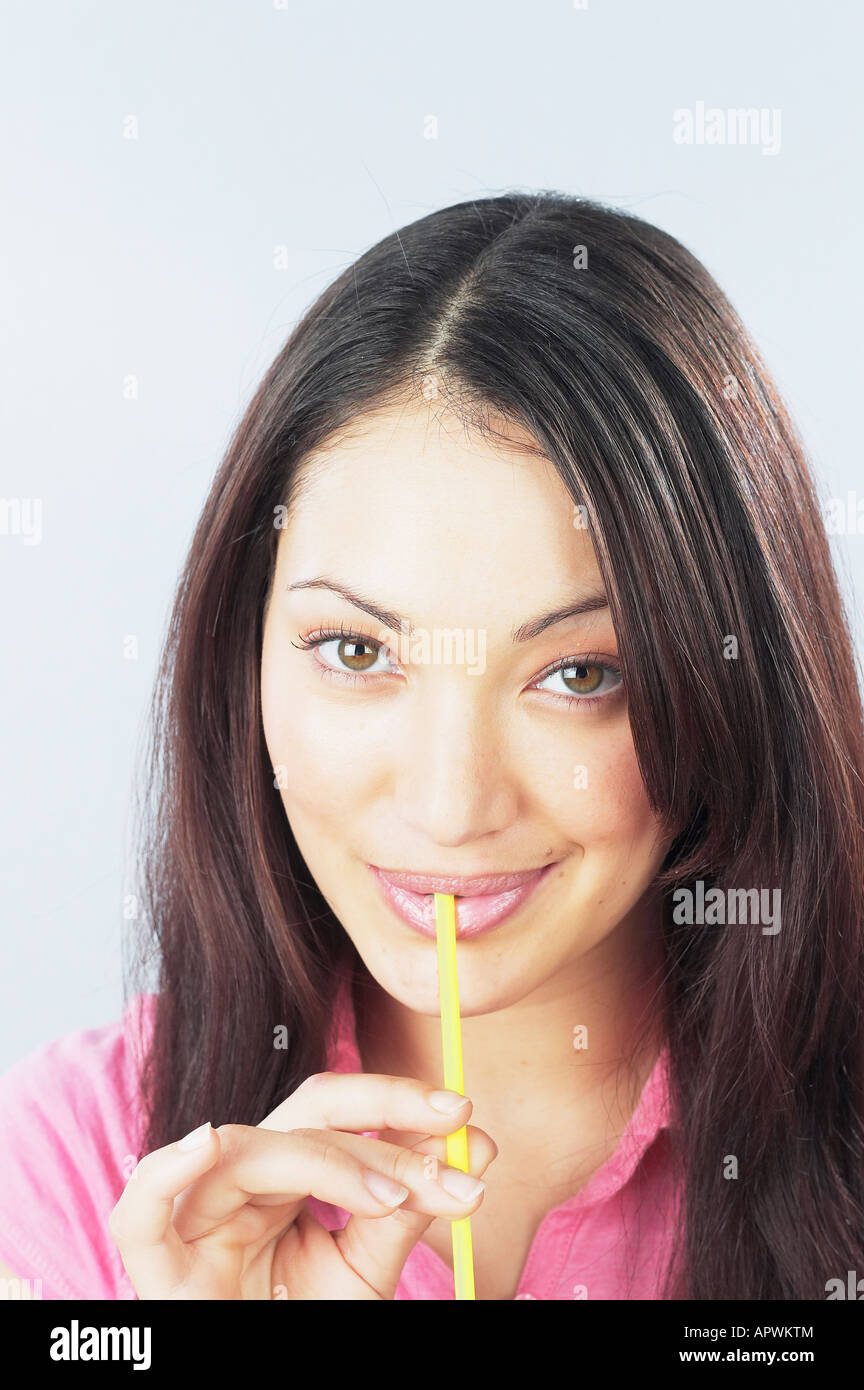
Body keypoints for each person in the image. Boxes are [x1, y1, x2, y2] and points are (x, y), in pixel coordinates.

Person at [2, 192, 862, 1300]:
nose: (452, 807)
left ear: (730, 684)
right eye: (357, 653)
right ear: (243, 654)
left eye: (580, 673)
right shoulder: (73, 1173)